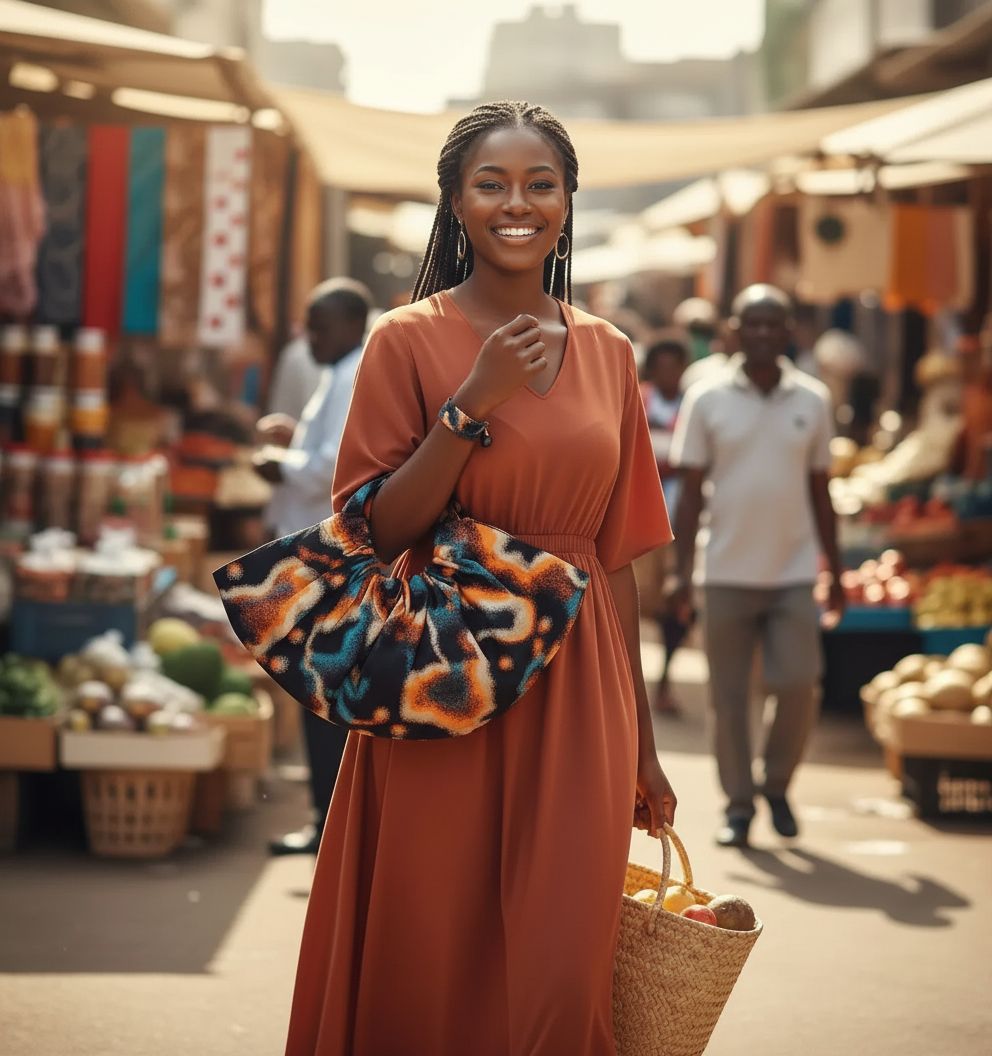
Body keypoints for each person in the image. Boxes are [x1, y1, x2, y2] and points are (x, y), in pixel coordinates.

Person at [284, 101, 677, 1056]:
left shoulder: (610, 352)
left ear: (568, 201)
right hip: (446, 671)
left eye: (540, 185)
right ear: (456, 203)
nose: (518, 204)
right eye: (491, 185)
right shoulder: (405, 340)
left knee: (560, 962)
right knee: (433, 945)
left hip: (580, 690)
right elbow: (376, 529)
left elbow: (612, 555)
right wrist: (470, 407)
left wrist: (644, 746)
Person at [669, 284, 845, 849]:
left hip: (793, 571)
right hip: (722, 570)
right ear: (734, 331)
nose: (765, 335)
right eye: (754, 325)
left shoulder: (812, 400)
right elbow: (690, 492)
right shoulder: (708, 397)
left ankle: (777, 784)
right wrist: (678, 571)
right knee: (728, 697)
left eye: (775, 325)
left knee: (799, 683)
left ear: (790, 330)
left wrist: (835, 572)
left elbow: (822, 491)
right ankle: (739, 804)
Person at [253, 278, 373, 856]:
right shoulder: (338, 369)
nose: (309, 337)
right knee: (320, 695)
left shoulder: (354, 372)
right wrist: (291, 445)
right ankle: (327, 819)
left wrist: (280, 462)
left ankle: (329, 822)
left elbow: (333, 466)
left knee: (322, 695)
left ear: (351, 324)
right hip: (315, 552)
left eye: (319, 325)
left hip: (327, 558)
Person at [634, 333, 691, 714]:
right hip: (639, 519)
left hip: (681, 518)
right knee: (638, 602)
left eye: (677, 367)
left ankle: (666, 680)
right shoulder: (637, 398)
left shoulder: (693, 406)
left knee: (678, 608)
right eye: (663, 367)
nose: (670, 374)